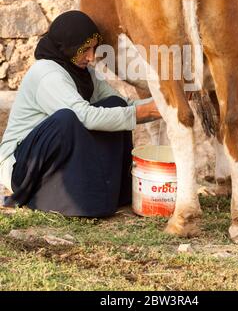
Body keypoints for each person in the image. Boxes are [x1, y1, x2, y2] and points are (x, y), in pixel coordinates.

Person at [0, 11, 161, 217]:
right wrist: (138, 113)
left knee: (115, 103)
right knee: (66, 118)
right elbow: (83, 115)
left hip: (55, 157)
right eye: (85, 49)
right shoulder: (47, 73)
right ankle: (47, 196)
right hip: (22, 167)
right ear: (66, 48)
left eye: (94, 48)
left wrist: (170, 104)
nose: (92, 57)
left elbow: (126, 105)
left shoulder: (84, 74)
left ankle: (113, 192)